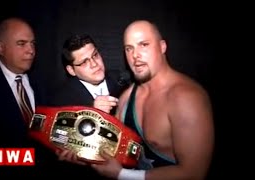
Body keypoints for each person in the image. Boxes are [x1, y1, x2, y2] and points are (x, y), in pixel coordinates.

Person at [89, 20, 215, 180]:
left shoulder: (187, 98)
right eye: (129, 48)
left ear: (162, 47)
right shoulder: (127, 97)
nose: (135, 55)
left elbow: (194, 173)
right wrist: (80, 148)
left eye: (144, 44)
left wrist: (122, 175)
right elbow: (111, 148)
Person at [0, 17, 57, 177]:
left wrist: (59, 150)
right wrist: (33, 158)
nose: (31, 50)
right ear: (1, 48)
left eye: (33, 43)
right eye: (21, 43)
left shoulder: (42, 81)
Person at [49, 34, 128, 179]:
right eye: (84, 62)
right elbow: (59, 144)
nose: (94, 64)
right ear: (71, 70)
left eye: (95, 55)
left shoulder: (122, 81)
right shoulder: (60, 101)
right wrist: (92, 112)